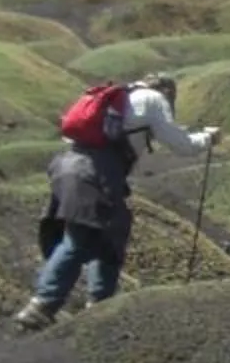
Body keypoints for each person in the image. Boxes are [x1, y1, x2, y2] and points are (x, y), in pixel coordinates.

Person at [16, 76, 218, 329]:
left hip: (68, 166)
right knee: (81, 239)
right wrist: (208, 139)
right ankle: (43, 305)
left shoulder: (120, 100)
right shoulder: (154, 100)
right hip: (95, 172)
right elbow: (182, 145)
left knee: (109, 236)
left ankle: (98, 305)